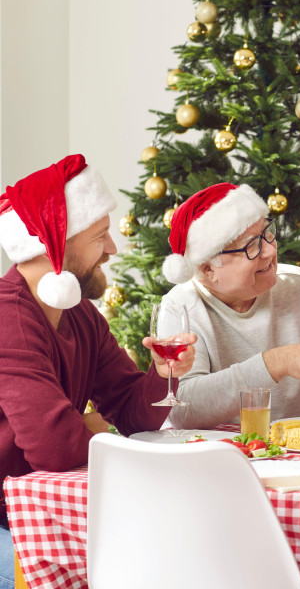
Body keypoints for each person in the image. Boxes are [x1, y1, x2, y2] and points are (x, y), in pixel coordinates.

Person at [0, 155, 197, 588]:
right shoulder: (8, 317)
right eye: (100, 236)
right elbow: (55, 448)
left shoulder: (82, 316)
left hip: (48, 510)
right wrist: (89, 428)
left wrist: (163, 373)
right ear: (56, 242)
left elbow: (130, 410)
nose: (112, 249)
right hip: (9, 523)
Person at [160, 182, 300, 430]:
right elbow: (183, 410)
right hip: (220, 460)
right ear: (208, 268)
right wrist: (275, 363)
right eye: (251, 246)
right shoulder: (181, 307)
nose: (270, 250)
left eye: (267, 233)